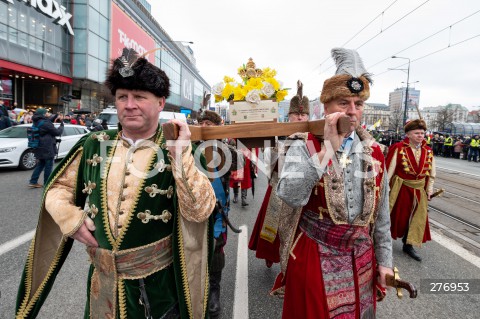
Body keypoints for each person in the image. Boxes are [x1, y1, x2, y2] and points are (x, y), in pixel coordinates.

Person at [16, 48, 216, 319]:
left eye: (139, 97)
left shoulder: (178, 147)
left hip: (156, 290)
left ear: (160, 103)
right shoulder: (93, 143)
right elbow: (57, 188)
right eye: (122, 97)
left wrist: (180, 157)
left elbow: (200, 210)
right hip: (102, 285)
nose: (129, 104)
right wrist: (70, 219)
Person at [272, 48, 393, 318]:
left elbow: (381, 215)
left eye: (358, 104)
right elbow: (289, 195)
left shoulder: (375, 152)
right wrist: (326, 150)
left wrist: (385, 262)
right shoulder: (303, 144)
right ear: (326, 106)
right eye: (343, 103)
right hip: (315, 254)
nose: (352, 111)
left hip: (361, 258)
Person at [249, 80, 310, 269]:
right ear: (289, 115)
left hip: (304, 193)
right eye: (296, 114)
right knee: (272, 229)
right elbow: (268, 162)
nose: (300, 118)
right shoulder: (278, 136)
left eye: (304, 114)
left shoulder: (316, 137)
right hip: (278, 187)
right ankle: (270, 255)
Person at [197, 109, 237, 319]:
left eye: (209, 124)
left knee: (216, 253)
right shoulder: (188, 148)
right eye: (202, 123)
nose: (205, 127)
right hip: (193, 211)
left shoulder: (226, 150)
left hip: (218, 212)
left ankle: (214, 291)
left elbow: (239, 163)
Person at [387, 119, 435, 261]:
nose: (421, 136)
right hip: (400, 188)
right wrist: (385, 189)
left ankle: (408, 245)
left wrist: (429, 190)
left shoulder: (428, 150)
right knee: (395, 215)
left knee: (415, 218)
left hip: (419, 190)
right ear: (408, 134)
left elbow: (431, 173)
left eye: (422, 133)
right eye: (417, 133)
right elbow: (390, 169)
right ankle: (383, 242)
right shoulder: (398, 148)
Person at [27, 108, 64, 188]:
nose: (48, 113)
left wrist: (56, 115)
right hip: (47, 146)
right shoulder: (46, 123)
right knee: (49, 165)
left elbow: (48, 120)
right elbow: (57, 132)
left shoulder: (37, 121)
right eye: (47, 112)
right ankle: (47, 183)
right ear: (43, 114)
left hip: (39, 146)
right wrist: (62, 125)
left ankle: (33, 182)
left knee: (40, 164)